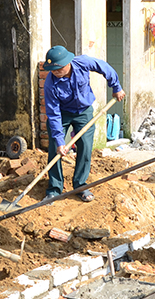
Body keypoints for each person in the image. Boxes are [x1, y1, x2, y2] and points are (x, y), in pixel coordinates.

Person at [42, 45, 126, 203]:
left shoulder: (82, 62)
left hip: (84, 111)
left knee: (86, 146)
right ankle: (54, 188)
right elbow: (53, 114)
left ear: (67, 63)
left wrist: (116, 87)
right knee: (55, 147)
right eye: (52, 70)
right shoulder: (50, 84)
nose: (55, 73)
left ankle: (80, 185)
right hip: (62, 113)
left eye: (58, 69)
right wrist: (61, 143)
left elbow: (104, 68)